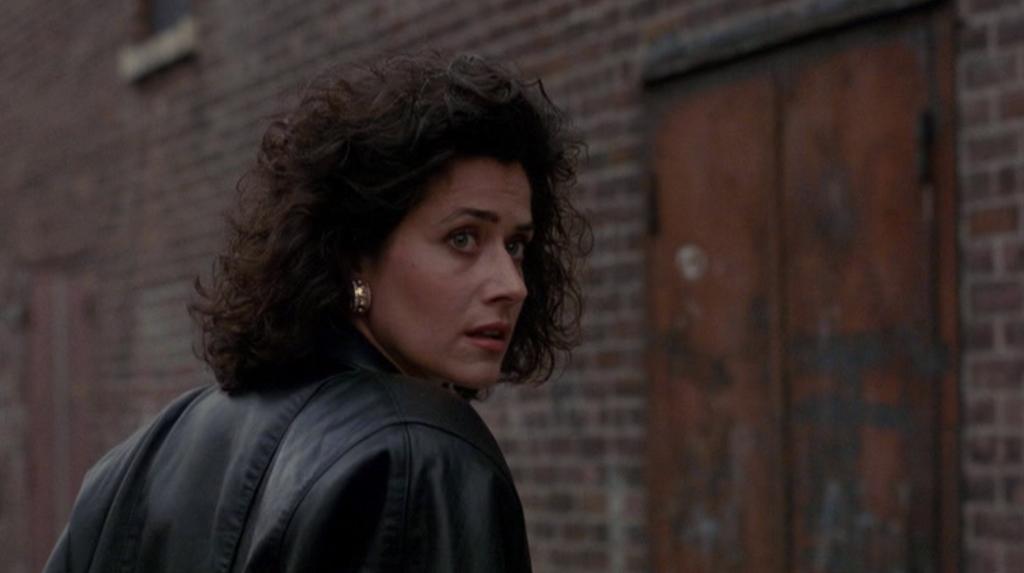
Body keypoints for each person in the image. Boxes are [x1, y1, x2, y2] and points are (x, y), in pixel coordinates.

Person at [42, 53, 589, 572]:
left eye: (516, 245)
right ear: (354, 252)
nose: (512, 285)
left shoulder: (145, 457)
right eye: (462, 238)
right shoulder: (419, 456)